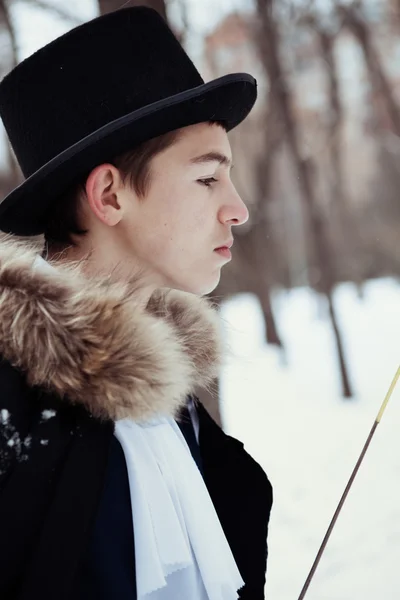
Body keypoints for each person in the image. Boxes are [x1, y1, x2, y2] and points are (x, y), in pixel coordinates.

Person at [0, 7, 273, 600]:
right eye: (207, 179)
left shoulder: (171, 403)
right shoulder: (11, 410)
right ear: (109, 194)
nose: (238, 209)